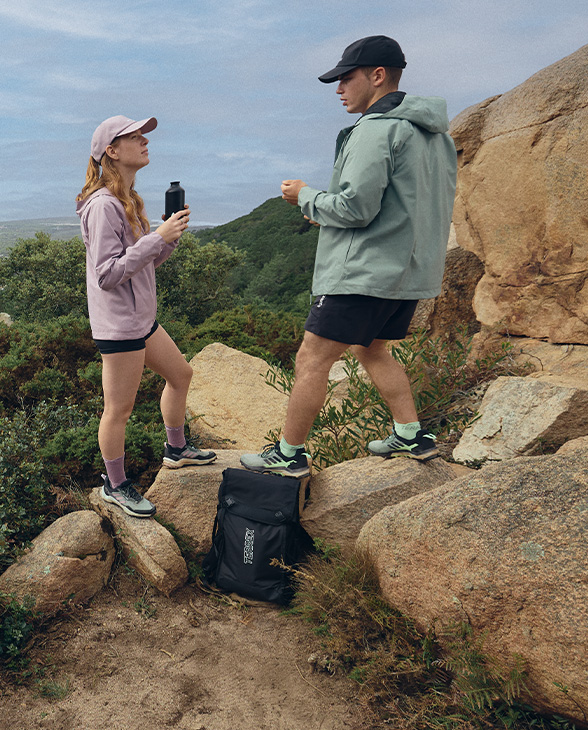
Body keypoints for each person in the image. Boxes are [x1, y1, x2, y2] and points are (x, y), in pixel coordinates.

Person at [240, 35, 457, 478]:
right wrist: (331, 213)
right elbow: (406, 205)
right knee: (372, 348)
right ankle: (411, 435)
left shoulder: (376, 131)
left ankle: (289, 453)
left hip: (362, 273)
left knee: (311, 357)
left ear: (378, 76)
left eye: (346, 78)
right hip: (409, 271)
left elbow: (355, 207)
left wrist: (305, 197)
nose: (339, 88)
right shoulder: (436, 137)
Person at [77, 115, 216, 518]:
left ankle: (176, 449)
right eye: (134, 137)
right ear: (112, 151)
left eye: (143, 136)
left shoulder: (128, 200)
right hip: (119, 327)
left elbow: (142, 264)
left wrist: (168, 239)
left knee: (181, 374)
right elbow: (107, 274)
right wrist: (157, 237)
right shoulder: (103, 206)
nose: (144, 141)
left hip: (141, 320)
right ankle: (114, 485)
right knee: (118, 410)